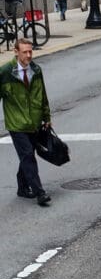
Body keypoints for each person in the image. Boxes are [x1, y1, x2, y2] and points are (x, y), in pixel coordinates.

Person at [0, 38, 52, 205]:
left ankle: (22, 187)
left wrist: (47, 118)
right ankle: (40, 193)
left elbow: (43, 95)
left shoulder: (36, 70)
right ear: (16, 52)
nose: (29, 55)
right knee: (28, 155)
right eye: (25, 52)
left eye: (30, 51)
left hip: (34, 122)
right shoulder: (5, 72)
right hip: (17, 123)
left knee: (27, 155)